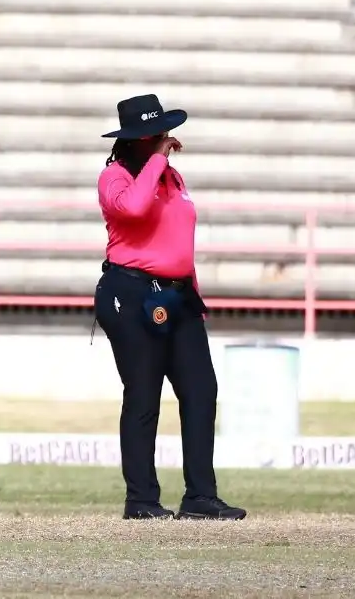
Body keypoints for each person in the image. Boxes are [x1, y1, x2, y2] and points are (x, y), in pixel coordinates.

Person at [93, 94, 247, 521]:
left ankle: (200, 496)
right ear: (136, 139)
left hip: (177, 295)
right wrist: (159, 160)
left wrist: (194, 296)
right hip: (131, 293)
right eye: (156, 134)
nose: (165, 139)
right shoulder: (114, 177)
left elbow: (179, 242)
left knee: (201, 390)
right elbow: (133, 208)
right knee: (144, 395)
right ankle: (141, 499)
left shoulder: (172, 177)